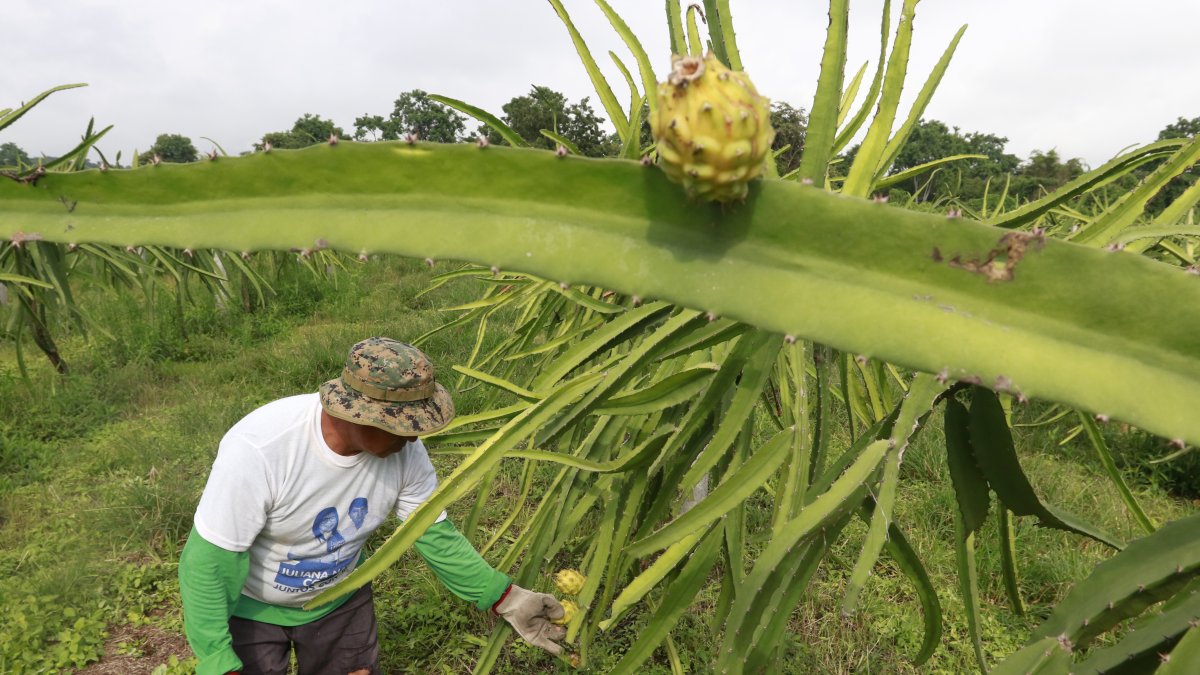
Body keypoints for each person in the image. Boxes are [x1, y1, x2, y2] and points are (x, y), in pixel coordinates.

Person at [179, 337, 566, 675]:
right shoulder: (261, 450)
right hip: (252, 608)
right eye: (402, 426)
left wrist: (505, 597)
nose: (414, 440)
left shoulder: (406, 452)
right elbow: (209, 563)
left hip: (340, 599)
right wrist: (216, 659)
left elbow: (432, 533)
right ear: (353, 413)